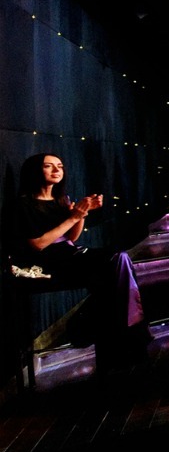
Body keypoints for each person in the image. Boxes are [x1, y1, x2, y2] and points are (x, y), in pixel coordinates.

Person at [3, 152, 149, 366]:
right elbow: (39, 244)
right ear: (35, 171)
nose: (57, 170)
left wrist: (82, 212)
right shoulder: (22, 205)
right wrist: (73, 216)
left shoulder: (61, 200)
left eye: (60, 166)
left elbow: (71, 237)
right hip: (46, 262)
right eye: (49, 166)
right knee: (117, 262)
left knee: (119, 261)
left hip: (69, 254)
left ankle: (110, 333)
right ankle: (128, 330)